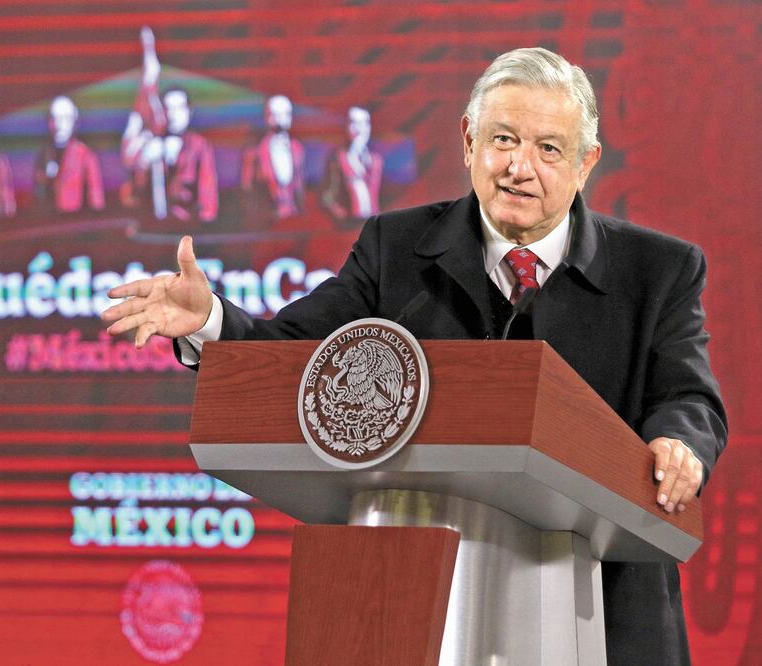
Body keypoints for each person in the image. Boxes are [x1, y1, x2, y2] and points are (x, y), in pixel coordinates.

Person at [103, 47, 727, 664]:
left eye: (548, 148)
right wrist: (210, 320)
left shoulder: (659, 270)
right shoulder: (395, 249)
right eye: (503, 139)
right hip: (411, 606)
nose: (520, 167)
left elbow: (687, 396)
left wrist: (678, 446)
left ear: (586, 163)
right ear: (467, 141)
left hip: (605, 608)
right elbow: (298, 355)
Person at [120, 27, 218, 223]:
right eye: (168, 108)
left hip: (188, 231)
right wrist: (145, 162)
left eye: (179, 108)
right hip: (152, 228)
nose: (173, 114)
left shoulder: (199, 147)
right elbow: (132, 191)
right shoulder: (153, 142)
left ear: (189, 112)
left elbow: (208, 199)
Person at [240, 94, 306, 226]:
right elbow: (247, 189)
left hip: (294, 221)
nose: (280, 120)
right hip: (266, 224)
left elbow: (299, 185)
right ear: (266, 117)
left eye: (285, 114)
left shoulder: (297, 148)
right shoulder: (254, 152)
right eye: (275, 115)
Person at [34, 95, 105, 213]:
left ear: (74, 121)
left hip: (75, 224)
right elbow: (38, 195)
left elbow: (96, 201)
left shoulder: (85, 156)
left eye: (65, 119)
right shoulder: (44, 155)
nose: (59, 125)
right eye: (54, 119)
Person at [322, 106, 384, 226]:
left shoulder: (376, 160)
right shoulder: (337, 158)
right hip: (349, 226)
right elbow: (327, 196)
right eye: (354, 123)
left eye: (364, 123)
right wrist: (341, 216)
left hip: (373, 226)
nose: (360, 129)